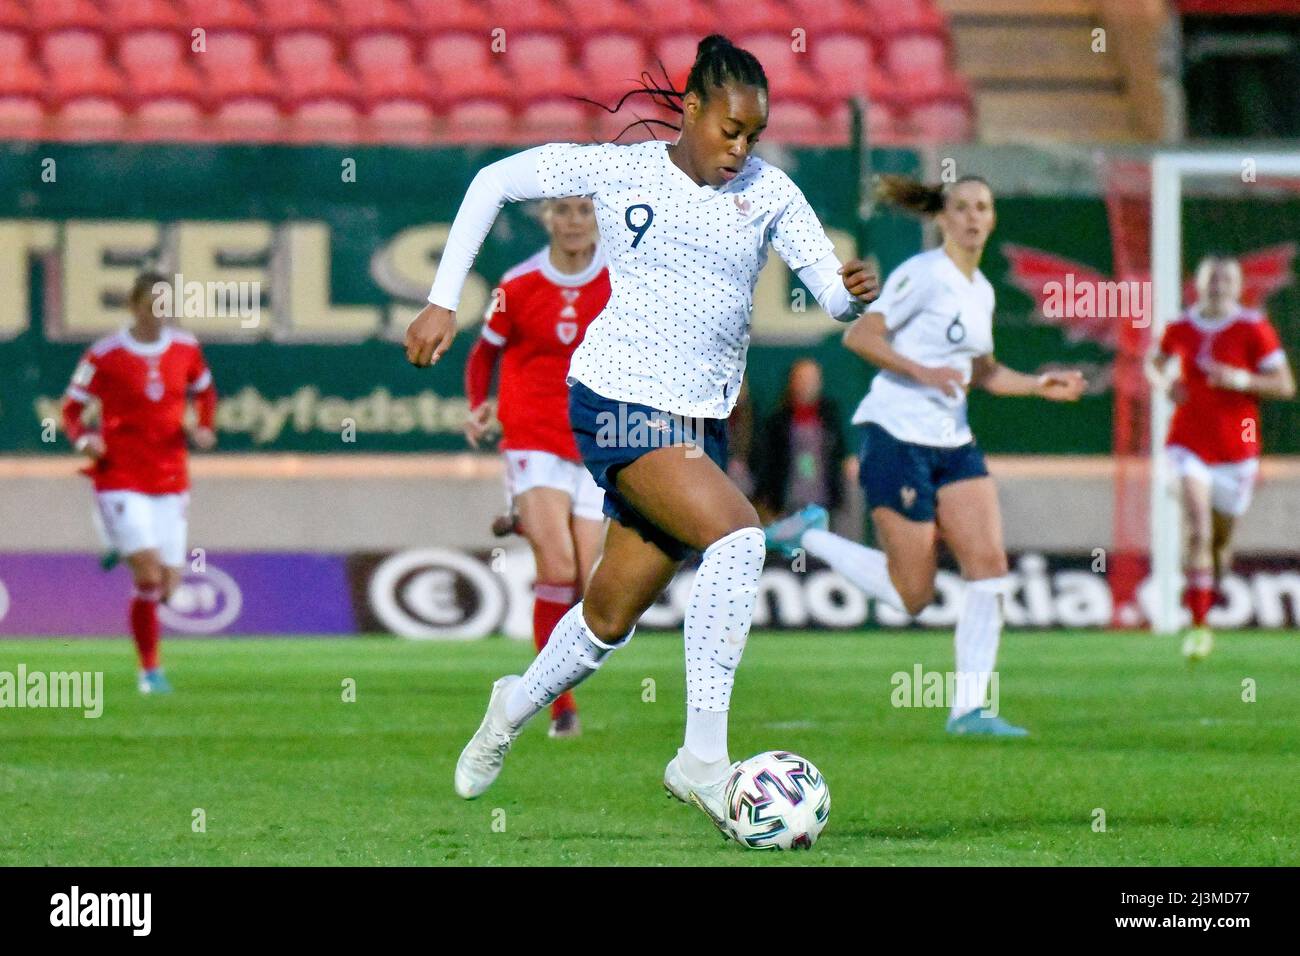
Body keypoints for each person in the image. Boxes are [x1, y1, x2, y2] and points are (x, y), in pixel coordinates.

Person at [404, 35, 879, 827]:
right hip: (617, 402)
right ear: (690, 109)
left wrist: (853, 298)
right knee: (738, 539)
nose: (742, 148)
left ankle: (509, 709)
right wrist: (443, 297)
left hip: (696, 424)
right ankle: (701, 761)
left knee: (607, 619)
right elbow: (492, 182)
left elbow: (828, 293)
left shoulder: (770, 193)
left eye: (754, 135)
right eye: (730, 128)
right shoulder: (619, 170)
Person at [765, 173, 1086, 736]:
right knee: (911, 596)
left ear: (992, 218)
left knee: (989, 566)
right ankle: (808, 534)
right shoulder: (924, 274)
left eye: (982, 207)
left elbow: (982, 372)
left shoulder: (980, 290)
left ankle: (970, 710)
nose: (971, 216)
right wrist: (922, 371)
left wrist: (1040, 383)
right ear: (943, 217)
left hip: (953, 443)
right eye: (960, 207)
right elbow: (859, 338)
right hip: (898, 436)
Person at [463, 196, 611, 737]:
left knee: (584, 583)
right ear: (546, 218)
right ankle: (558, 705)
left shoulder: (622, 277)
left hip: (596, 438)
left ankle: (528, 516)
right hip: (533, 435)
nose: (574, 221)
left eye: (583, 211)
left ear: (598, 218)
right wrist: (479, 404)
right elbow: (484, 354)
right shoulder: (519, 284)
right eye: (564, 211)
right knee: (558, 570)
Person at [61, 271, 218, 694]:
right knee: (147, 574)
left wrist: (203, 426)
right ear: (134, 306)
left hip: (169, 477)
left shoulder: (186, 348)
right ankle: (150, 672)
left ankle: (117, 543)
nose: (159, 314)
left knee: (168, 584)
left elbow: (205, 392)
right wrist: (83, 440)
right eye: (152, 305)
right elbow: (71, 408)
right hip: (121, 475)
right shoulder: (104, 354)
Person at [1146, 254, 1294, 661]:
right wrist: (1165, 384)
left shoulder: (1252, 328)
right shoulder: (1179, 327)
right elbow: (1154, 364)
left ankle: (1209, 584)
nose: (1218, 286)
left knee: (1219, 542)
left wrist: (1241, 379)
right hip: (1187, 442)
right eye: (1211, 279)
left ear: (1238, 285)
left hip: (1237, 449)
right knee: (1196, 526)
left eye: (1226, 280)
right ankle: (1197, 628)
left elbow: (1284, 385)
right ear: (1199, 283)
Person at [751, 357, 849, 524]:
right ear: (792, 382)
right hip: (788, 501)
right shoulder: (777, 421)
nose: (807, 385)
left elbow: (840, 452)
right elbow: (766, 462)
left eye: (812, 380)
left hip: (824, 500)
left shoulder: (830, 416)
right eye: (802, 379)